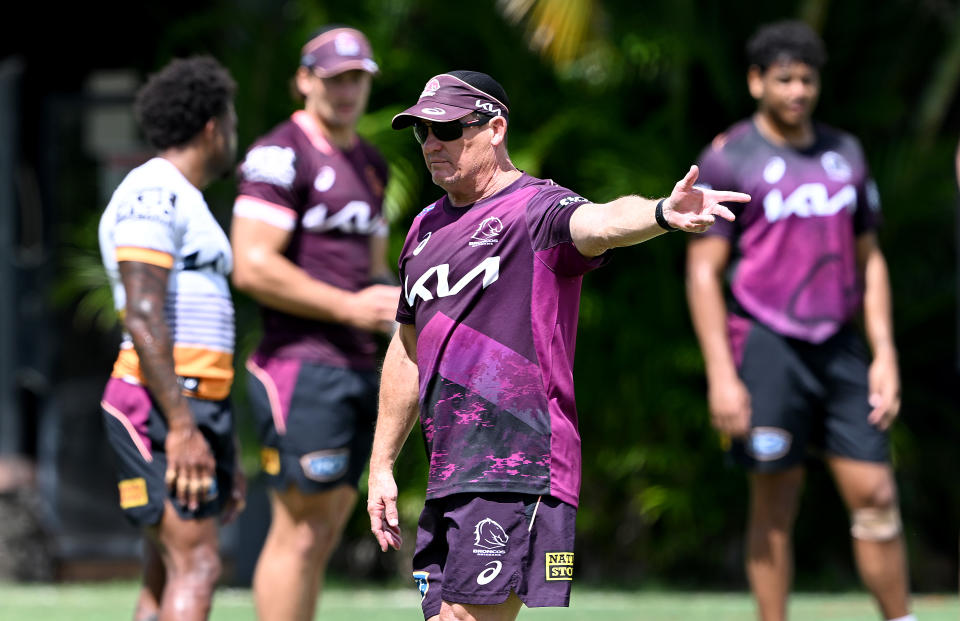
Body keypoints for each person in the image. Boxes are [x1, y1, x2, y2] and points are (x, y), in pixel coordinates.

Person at [366, 70, 749, 621]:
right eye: (422, 133)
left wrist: (662, 213)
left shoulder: (536, 210)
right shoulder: (423, 228)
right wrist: (381, 465)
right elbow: (406, 347)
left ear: (495, 128)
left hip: (519, 464)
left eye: (447, 130)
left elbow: (601, 222)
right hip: (451, 471)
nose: (431, 145)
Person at [685, 20, 914, 621]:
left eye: (807, 79)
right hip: (765, 345)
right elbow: (704, 272)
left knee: (876, 496)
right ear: (757, 81)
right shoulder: (728, 157)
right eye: (784, 78)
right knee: (775, 505)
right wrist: (722, 376)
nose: (797, 91)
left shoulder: (846, 153)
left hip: (839, 345)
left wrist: (884, 353)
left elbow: (871, 263)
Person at [230, 25, 400, 621]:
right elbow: (251, 265)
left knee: (324, 530)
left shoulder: (371, 163)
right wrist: (351, 307)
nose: (348, 90)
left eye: (358, 78)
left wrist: (410, 305)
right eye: (334, 78)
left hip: (357, 364)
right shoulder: (280, 154)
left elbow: (373, 269)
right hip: (298, 365)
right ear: (304, 80)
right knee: (299, 531)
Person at [98, 55, 244, 621]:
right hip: (160, 406)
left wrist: (218, 436)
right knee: (199, 566)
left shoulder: (185, 197)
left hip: (194, 404)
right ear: (213, 126)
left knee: (164, 571)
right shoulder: (152, 189)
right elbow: (141, 312)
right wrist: (184, 427)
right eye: (230, 121)